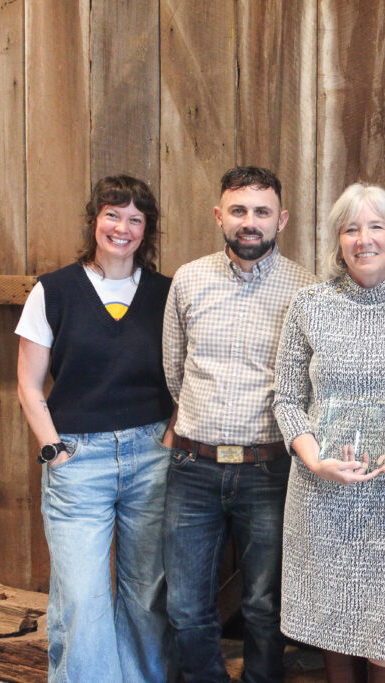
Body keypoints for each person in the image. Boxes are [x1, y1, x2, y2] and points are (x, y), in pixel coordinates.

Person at [272, 183, 385, 682]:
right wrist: (314, 461)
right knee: (335, 622)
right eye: (351, 228)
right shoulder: (309, 306)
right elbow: (286, 399)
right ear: (338, 241)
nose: (364, 238)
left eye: (376, 227)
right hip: (323, 490)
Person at [162, 166, 318, 682]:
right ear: (218, 215)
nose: (249, 222)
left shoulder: (306, 289)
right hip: (193, 465)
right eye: (238, 210)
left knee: (263, 607)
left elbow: (308, 382)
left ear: (282, 219)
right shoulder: (188, 278)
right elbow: (173, 367)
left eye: (261, 212)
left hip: (268, 470)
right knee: (186, 606)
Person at [15, 175, 174, 681]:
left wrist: (168, 441)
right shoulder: (53, 290)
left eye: (134, 218)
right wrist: (53, 451)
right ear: (94, 220)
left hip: (152, 456)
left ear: (146, 230)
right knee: (82, 596)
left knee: (147, 594)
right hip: (78, 461)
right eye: (112, 214)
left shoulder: (165, 294)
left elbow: (185, 376)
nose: (121, 227)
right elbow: (28, 385)